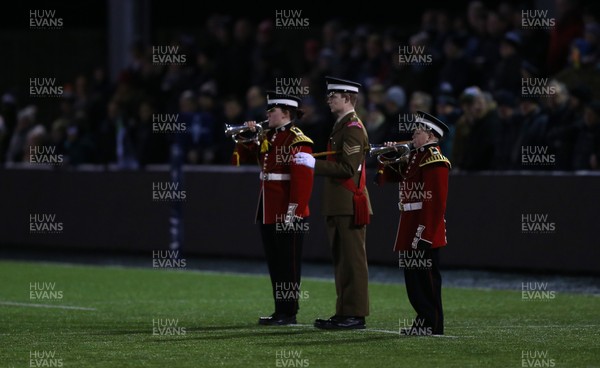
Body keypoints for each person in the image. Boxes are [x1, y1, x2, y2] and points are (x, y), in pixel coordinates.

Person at [294, 76, 372, 330]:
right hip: (340, 203)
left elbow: (348, 168)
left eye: (333, 96)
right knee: (342, 261)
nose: (329, 99)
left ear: (348, 98)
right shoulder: (342, 125)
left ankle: (355, 314)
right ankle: (344, 311)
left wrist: (313, 164)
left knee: (352, 261)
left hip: (348, 202)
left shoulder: (352, 127)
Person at [231, 91, 314, 325]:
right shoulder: (271, 136)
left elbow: (303, 181)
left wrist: (293, 212)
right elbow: (242, 159)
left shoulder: (299, 140)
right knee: (276, 264)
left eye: (272, 111)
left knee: (289, 264)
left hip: (287, 211)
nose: (267, 114)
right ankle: (281, 310)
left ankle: (289, 312)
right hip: (268, 209)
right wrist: (247, 137)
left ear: (286, 113)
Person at [375, 110, 450, 335]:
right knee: (414, 282)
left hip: (422, 228)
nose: (413, 136)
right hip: (410, 225)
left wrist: (425, 233)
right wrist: (389, 155)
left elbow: (435, 203)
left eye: (417, 132)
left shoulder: (434, 159)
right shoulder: (417, 157)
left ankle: (432, 323)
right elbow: (391, 176)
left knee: (426, 281)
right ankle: (423, 320)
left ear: (430, 136)